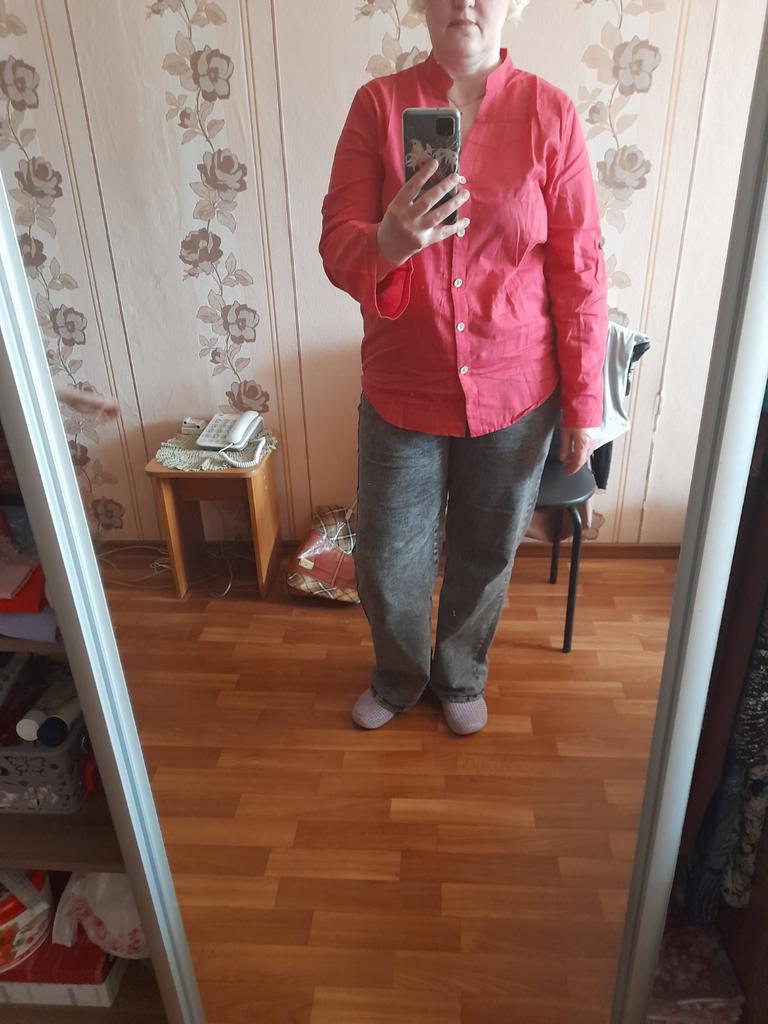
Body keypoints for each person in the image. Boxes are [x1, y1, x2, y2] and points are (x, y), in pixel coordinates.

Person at [319, 0, 607, 734]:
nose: (464, 3)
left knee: (486, 547)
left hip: (517, 390)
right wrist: (388, 240)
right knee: (387, 558)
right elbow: (337, 245)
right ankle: (397, 676)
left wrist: (585, 402)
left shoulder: (550, 114)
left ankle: (459, 674)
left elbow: (579, 269)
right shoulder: (377, 107)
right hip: (402, 387)